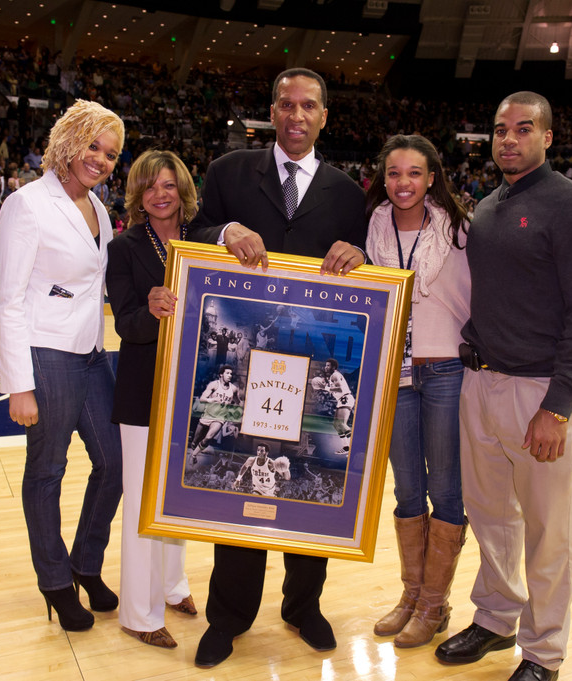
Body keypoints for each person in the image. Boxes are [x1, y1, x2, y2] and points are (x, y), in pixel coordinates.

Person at [164, 66, 367, 669]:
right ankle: (229, 616)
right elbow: (193, 231)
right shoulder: (230, 172)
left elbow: (371, 281)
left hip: (313, 376)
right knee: (243, 477)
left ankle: (303, 606)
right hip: (249, 371)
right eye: (285, 105)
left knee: (312, 483)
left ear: (324, 116)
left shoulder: (349, 193)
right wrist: (225, 229)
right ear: (271, 111)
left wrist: (358, 255)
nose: (296, 115)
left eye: (308, 106)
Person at [434, 92, 572, 681]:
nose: (508, 139)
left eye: (523, 129)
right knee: (490, 517)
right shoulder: (486, 208)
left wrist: (558, 407)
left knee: (547, 530)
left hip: (538, 395)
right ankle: (497, 618)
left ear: (548, 137)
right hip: (479, 384)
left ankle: (544, 653)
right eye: (500, 129)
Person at [0, 99, 124, 633]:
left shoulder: (99, 207)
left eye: (111, 153)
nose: (100, 159)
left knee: (115, 465)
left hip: (93, 355)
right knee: (47, 472)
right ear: (68, 139)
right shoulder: (26, 204)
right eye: (93, 145)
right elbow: (9, 300)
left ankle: (84, 563)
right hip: (46, 357)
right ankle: (54, 582)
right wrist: (19, 385)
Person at [364, 134, 471, 648]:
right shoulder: (374, 228)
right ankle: (411, 595)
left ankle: (435, 605)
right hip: (395, 374)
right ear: (383, 179)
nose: (402, 183)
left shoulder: (459, 231)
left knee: (446, 489)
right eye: (393, 174)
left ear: (432, 178)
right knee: (408, 489)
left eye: (413, 173)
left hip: (447, 371)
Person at [106, 149, 198, 650]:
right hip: (143, 387)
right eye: (148, 186)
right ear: (138, 195)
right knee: (144, 500)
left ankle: (172, 585)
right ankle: (139, 613)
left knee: (177, 497)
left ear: (181, 188)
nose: (159, 194)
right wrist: (150, 309)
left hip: (193, 390)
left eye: (167, 184)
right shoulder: (124, 249)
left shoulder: (205, 241)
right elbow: (125, 323)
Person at [188, 364, 241, 464]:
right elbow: (203, 399)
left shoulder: (233, 389)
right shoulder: (214, 385)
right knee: (195, 442)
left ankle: (193, 455)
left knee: (208, 437)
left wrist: (231, 410)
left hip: (219, 418)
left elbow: (238, 403)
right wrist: (213, 399)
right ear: (221, 375)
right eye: (227, 373)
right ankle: (194, 452)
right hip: (207, 415)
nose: (230, 375)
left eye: (231, 374)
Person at [312, 358, 356, 456]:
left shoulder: (335, 375)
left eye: (328, 365)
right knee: (336, 425)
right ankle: (346, 447)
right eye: (326, 365)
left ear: (334, 367)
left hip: (345, 398)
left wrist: (325, 388)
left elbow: (340, 389)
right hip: (341, 400)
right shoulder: (332, 377)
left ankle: (354, 446)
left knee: (342, 423)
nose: (326, 367)